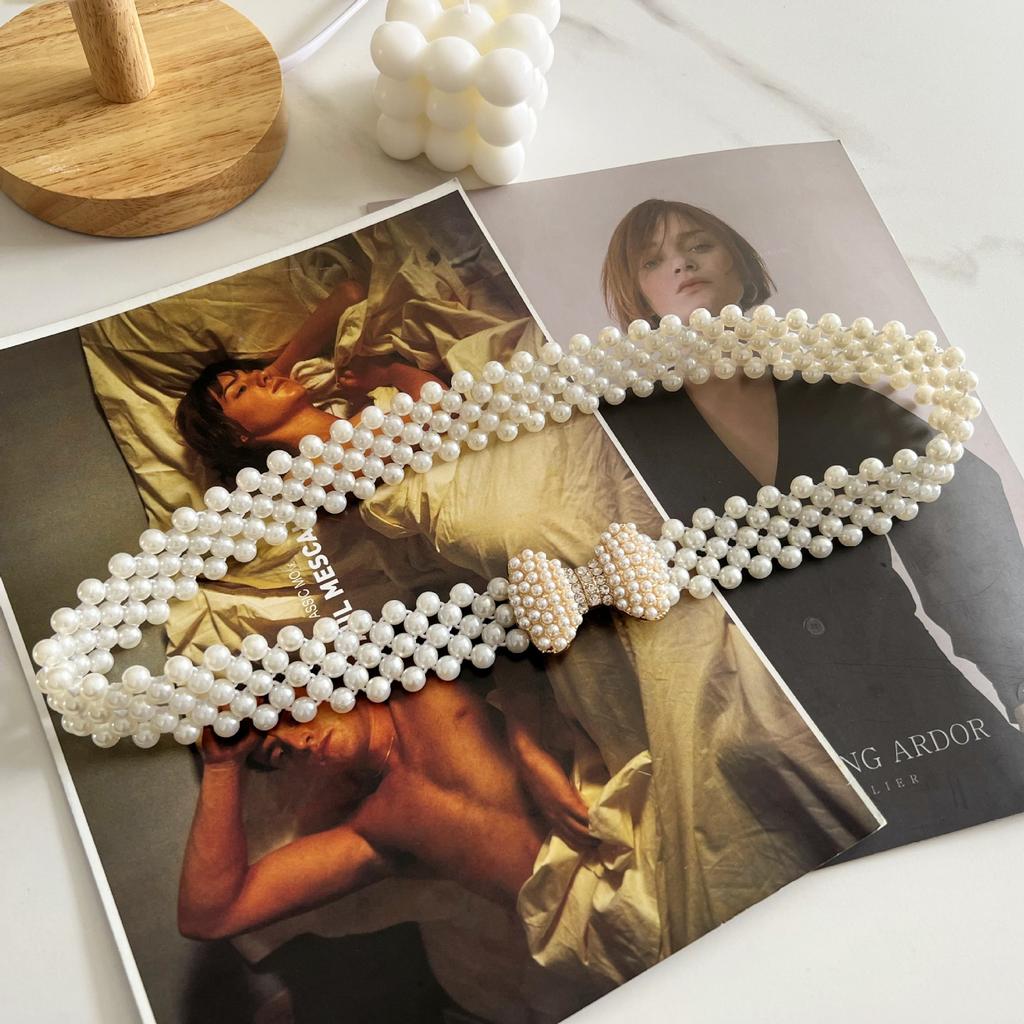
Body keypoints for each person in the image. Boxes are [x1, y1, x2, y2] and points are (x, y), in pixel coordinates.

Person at [598, 197, 1024, 855]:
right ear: (639, 294)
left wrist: (1016, 677)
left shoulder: (836, 387)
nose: (680, 263)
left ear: (738, 262)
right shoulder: (621, 434)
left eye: (699, 244)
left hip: (930, 711)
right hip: (775, 755)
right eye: (653, 260)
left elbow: (960, 516)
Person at [177, 673, 592, 942]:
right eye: (277, 755)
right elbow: (210, 916)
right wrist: (223, 766)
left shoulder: (419, 675)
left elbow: (527, 625)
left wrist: (526, 743)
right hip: (591, 916)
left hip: (608, 805)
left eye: (286, 715)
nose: (296, 741)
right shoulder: (377, 827)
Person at [174, 276, 447, 483]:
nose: (258, 376)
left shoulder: (352, 420)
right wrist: (387, 372)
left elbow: (350, 294)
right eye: (240, 390)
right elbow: (440, 406)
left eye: (253, 373)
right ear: (235, 434)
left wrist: (278, 368)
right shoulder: (310, 473)